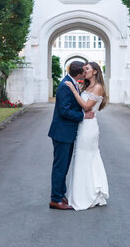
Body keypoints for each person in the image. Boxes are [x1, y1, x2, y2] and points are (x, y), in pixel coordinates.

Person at [48, 60, 95, 210]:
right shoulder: (65, 86)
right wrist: (83, 116)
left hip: (66, 132)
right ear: (79, 73)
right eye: (84, 70)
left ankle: (60, 195)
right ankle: (56, 199)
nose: (86, 72)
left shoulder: (72, 83)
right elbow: (65, 111)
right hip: (62, 133)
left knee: (64, 166)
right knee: (60, 167)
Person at [64, 61, 109, 210]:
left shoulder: (98, 87)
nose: (85, 72)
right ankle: (81, 193)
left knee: (87, 157)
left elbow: (86, 106)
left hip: (89, 127)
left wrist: (74, 90)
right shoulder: (86, 85)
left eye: (87, 69)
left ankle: (90, 195)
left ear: (95, 71)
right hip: (82, 125)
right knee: (81, 158)